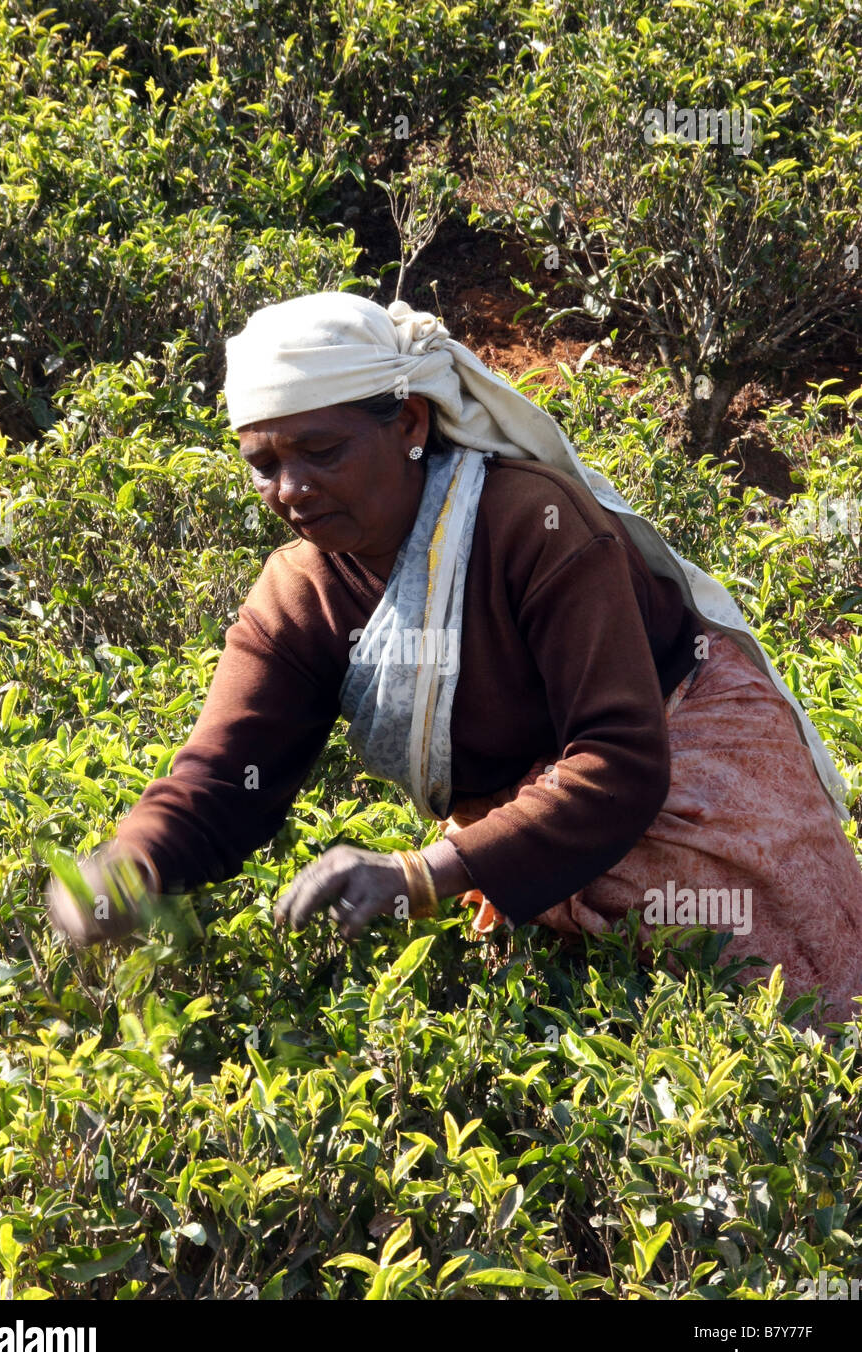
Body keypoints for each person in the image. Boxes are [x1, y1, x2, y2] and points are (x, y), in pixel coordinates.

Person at [47, 292, 862, 1026]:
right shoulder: (301, 594)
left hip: (692, 780)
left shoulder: (531, 527)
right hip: (517, 837)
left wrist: (421, 873)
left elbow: (618, 761)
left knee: (787, 1028)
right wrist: (130, 865)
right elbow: (227, 778)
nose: (290, 489)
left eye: (320, 452)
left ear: (407, 423)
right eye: (264, 466)